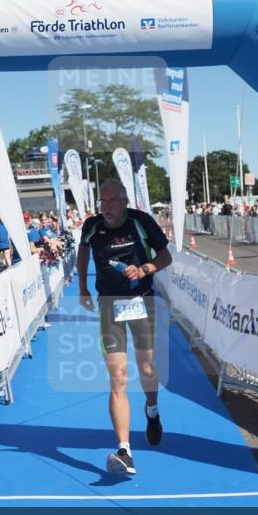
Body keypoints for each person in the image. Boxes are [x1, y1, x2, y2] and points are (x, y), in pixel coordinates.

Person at [77, 179, 172, 476]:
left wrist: (144, 268)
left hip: (141, 301)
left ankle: (152, 410)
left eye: (112, 201)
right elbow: (82, 253)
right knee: (117, 376)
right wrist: (82, 287)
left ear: (124, 200)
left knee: (146, 370)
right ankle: (124, 450)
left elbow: (166, 256)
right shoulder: (91, 226)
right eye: (102, 202)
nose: (106, 208)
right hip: (109, 305)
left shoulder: (141, 222)